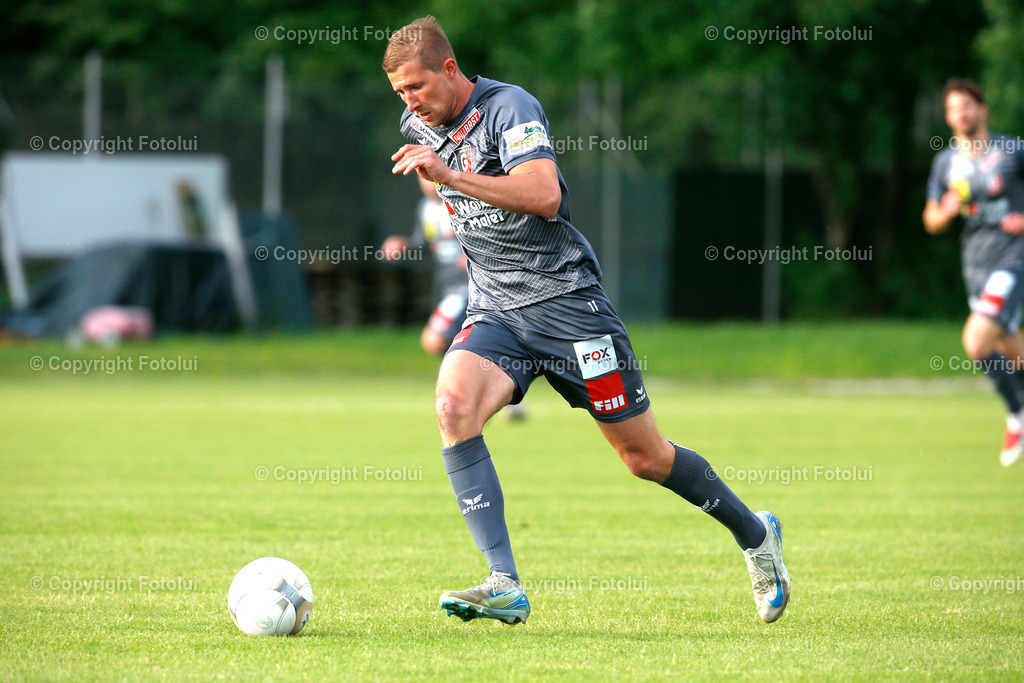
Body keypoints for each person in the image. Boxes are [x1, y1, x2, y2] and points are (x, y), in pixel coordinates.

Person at [383, 16, 790, 626]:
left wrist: (451, 177)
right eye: (399, 94)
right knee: (452, 408)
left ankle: (755, 534)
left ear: (449, 69)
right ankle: (504, 583)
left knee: (645, 459)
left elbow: (543, 194)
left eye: (416, 87)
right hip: (496, 309)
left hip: (569, 308)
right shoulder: (418, 125)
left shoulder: (509, 108)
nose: (410, 103)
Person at [924, 78, 1024, 467]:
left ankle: (1017, 414)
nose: (960, 114)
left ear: (982, 109)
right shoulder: (946, 162)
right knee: (1010, 350)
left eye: (967, 105)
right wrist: (944, 212)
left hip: (1013, 259)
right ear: (948, 117)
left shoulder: (1012, 150)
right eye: (953, 109)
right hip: (976, 267)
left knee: (977, 342)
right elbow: (930, 219)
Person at [382, 176, 471, 357]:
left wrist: (475, 256)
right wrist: (405, 245)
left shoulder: (466, 201)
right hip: (447, 285)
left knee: (434, 338)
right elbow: (425, 243)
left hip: (470, 287)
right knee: (464, 342)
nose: (426, 181)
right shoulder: (426, 207)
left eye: (429, 174)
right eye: (422, 175)